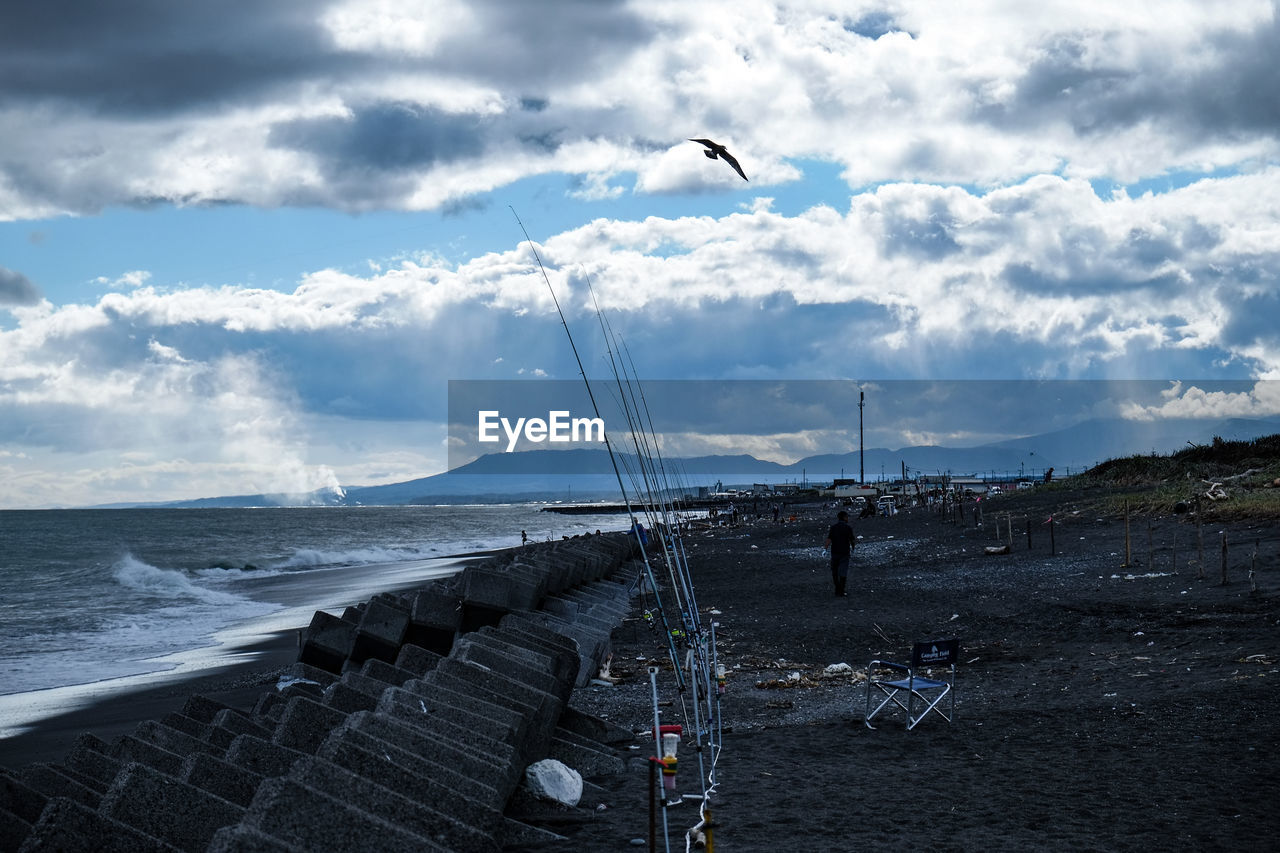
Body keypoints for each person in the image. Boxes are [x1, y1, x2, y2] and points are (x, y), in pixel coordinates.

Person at [823, 510, 855, 597]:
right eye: (847, 517)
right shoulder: (848, 528)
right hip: (844, 552)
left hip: (835, 552)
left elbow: (829, 539)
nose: (848, 518)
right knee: (843, 572)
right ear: (844, 518)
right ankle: (841, 590)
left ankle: (837, 589)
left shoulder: (833, 527)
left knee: (835, 572)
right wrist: (853, 548)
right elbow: (852, 540)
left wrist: (825, 549)